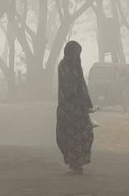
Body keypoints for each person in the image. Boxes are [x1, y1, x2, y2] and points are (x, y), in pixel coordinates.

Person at [56, 40, 94, 174]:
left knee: (85, 135)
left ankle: (79, 164)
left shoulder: (77, 66)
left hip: (79, 109)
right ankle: (74, 164)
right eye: (75, 53)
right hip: (68, 108)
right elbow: (68, 87)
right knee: (68, 137)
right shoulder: (64, 66)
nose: (76, 56)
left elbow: (82, 85)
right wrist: (77, 99)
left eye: (78, 54)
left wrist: (87, 102)